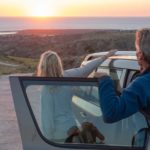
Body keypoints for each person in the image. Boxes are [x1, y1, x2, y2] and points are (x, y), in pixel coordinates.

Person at [37, 50, 116, 141]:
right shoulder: (68, 76)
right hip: (71, 128)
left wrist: (47, 139)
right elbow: (86, 69)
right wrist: (105, 57)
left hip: (57, 136)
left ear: (43, 66)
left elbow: (47, 119)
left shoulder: (46, 89)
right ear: (58, 64)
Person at [95, 28, 150, 123]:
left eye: (136, 49)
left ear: (140, 54)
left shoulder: (142, 84)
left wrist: (105, 80)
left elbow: (111, 114)